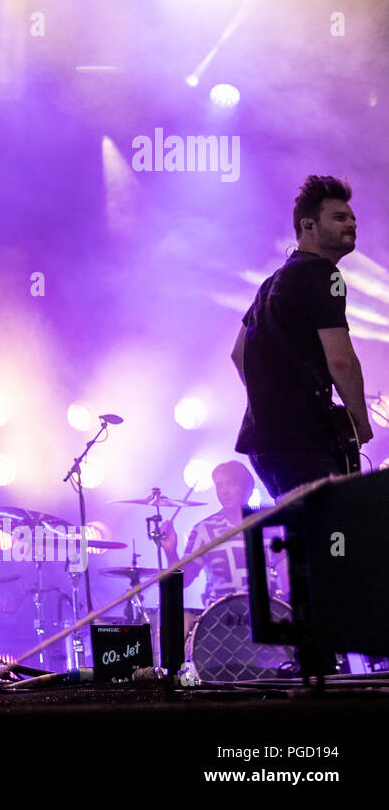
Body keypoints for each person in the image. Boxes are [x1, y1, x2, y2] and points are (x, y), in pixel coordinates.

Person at [232, 175, 371, 499]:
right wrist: (360, 423)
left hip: (264, 444)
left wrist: (273, 400)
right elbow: (341, 360)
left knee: (308, 540)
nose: (351, 224)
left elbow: (238, 354)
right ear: (308, 225)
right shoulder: (324, 273)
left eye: (352, 218)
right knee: (335, 540)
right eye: (339, 218)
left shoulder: (272, 282)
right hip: (304, 441)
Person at [159, 461, 286, 604]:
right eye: (219, 486)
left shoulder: (270, 525)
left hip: (268, 614)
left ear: (248, 489)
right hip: (220, 618)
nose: (224, 491)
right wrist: (171, 553)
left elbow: (287, 577)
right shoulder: (203, 529)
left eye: (230, 484)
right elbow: (183, 582)